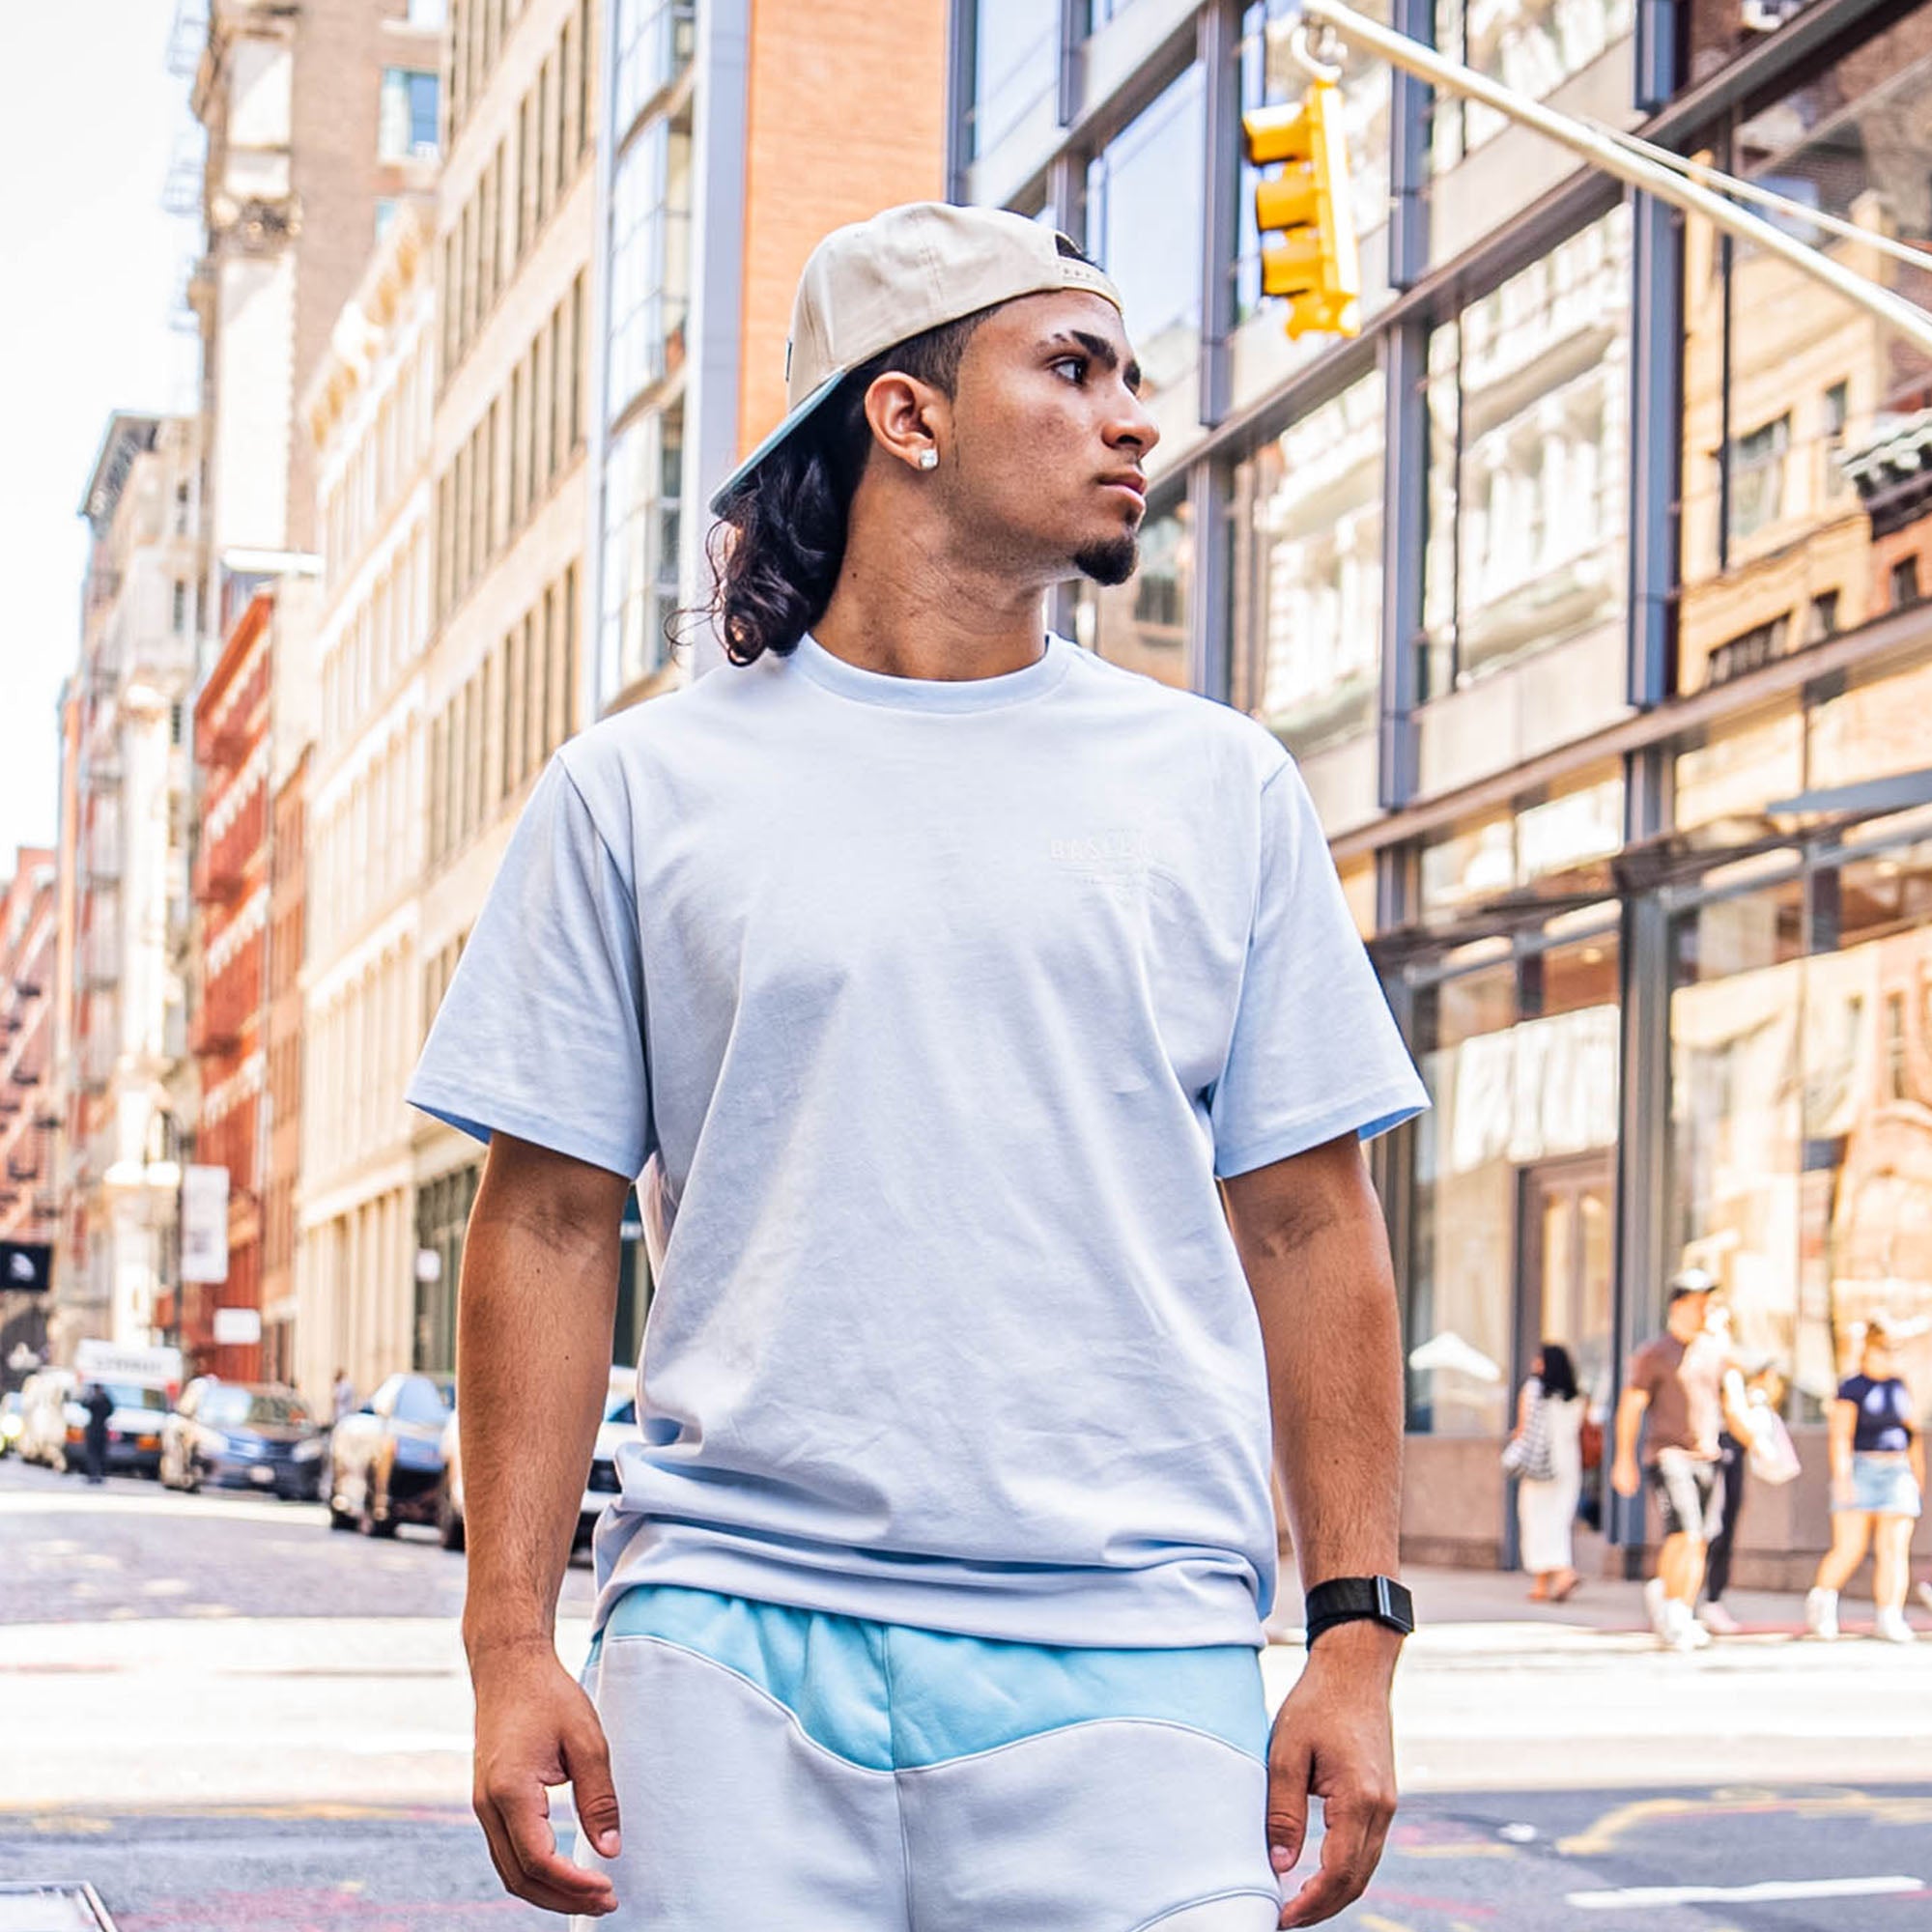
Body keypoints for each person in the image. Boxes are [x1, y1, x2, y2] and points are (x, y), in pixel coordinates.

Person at [407, 203, 1430, 1930]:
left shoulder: (1219, 785)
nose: (1136, 419)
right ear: (908, 414)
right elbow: (551, 1225)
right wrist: (508, 1644)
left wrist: (1355, 1633)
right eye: (1075, 367)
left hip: (1132, 1653)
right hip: (727, 1643)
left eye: (1134, 377)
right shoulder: (635, 791)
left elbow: (1314, 1227)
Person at [1611, 1268, 1751, 1651]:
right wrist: (1623, 1459)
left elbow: (1736, 1402)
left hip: (1708, 1455)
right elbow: (1630, 1408)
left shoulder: (1717, 1351)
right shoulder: (1654, 1354)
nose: (1705, 1308)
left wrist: (1761, 1443)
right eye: (1697, 1301)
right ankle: (1675, 1611)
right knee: (1685, 1533)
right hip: (1668, 1455)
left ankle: (1679, 1604)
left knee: (1701, 1540)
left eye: (1709, 1301)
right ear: (1678, 1306)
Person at [1805, 1319, 1923, 1644]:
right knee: (1850, 1548)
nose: (1890, 1355)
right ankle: (1823, 1604)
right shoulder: (1852, 1387)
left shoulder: (1899, 1385)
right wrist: (1843, 1477)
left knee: (1894, 1549)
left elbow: (1911, 1433)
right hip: (1861, 1469)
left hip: (1897, 1470)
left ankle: (1889, 1616)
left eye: (1895, 1349)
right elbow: (1840, 1436)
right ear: (1869, 1347)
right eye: (1885, 1347)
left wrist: (1918, 1475)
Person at [1700, 1346, 1784, 1635]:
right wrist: (1759, 1444)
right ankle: (1694, 1597)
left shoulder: (1729, 1370)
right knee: (1712, 1527)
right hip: (1715, 1451)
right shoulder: (1721, 1366)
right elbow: (1733, 1413)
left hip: (1721, 1450)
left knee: (1715, 1526)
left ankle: (1700, 1597)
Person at [1514, 1343, 1584, 1603]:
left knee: (1535, 1520)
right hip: (1568, 1463)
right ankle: (1544, 1583)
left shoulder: (1532, 1391)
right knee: (1558, 1521)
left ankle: (1562, 1572)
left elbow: (1523, 1431)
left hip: (1539, 1464)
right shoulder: (1576, 1396)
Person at [81, 1381, 113, 1485]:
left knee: (95, 1454)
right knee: (97, 1454)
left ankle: (94, 1474)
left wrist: (89, 1395)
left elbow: (85, 1404)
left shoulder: (96, 1400)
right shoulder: (104, 1400)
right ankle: (97, 1474)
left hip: (95, 1429)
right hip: (100, 1430)